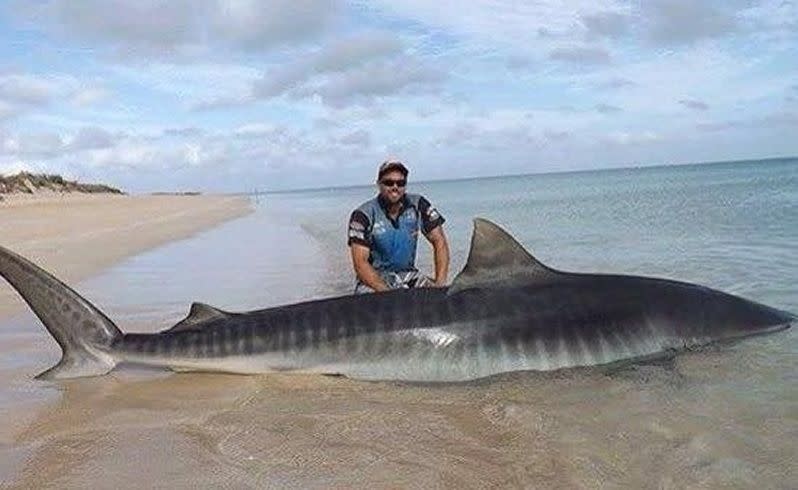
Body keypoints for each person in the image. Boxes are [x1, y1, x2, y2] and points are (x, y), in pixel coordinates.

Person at [348, 159, 450, 293]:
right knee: (377, 306)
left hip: (408, 275)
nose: (395, 187)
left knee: (441, 297)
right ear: (379, 184)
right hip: (374, 280)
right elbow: (360, 263)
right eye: (389, 182)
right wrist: (388, 294)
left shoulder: (418, 204)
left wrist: (440, 284)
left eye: (400, 183)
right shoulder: (362, 215)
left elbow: (439, 241)